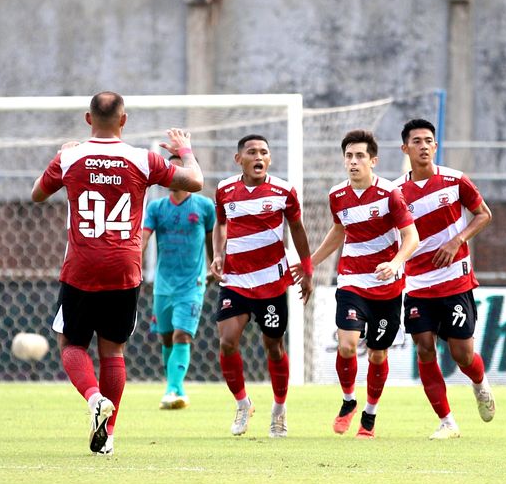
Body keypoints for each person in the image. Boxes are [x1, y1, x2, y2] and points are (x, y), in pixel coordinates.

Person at [31, 91, 203, 455]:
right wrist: (185, 149)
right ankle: (107, 435)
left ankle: (94, 399)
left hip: (81, 267)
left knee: (71, 344)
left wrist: (62, 154)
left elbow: (37, 195)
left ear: (87, 119)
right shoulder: (144, 160)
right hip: (125, 267)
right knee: (114, 351)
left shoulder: (70, 157)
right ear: (124, 120)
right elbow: (196, 181)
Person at [294, 129, 418, 439]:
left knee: (378, 354)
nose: (353, 161)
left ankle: (370, 415)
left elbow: (412, 236)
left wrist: (395, 263)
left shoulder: (390, 193)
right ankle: (349, 401)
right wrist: (310, 262)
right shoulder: (337, 195)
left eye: (360, 156)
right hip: (351, 281)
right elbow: (338, 232)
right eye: (348, 156)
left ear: (373, 161)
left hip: (387, 286)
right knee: (347, 345)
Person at [394, 118, 495, 440]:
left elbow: (484, 214)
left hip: (454, 282)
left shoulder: (455, 181)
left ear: (435, 146)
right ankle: (447, 421)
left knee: (462, 354)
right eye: (417, 141)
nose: (423, 146)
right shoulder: (395, 192)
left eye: (429, 141)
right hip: (418, 284)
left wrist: (457, 240)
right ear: (405, 148)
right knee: (424, 348)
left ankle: (480, 384)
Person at [210, 134, 313, 438]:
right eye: (251, 152)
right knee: (227, 341)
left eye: (264, 152)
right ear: (238, 158)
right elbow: (221, 224)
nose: (258, 156)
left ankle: (279, 411)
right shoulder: (225, 190)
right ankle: (243, 404)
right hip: (236, 280)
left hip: (271, 281)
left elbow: (297, 229)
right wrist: (217, 254)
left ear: (269, 159)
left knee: (274, 345)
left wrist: (307, 270)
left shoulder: (283, 191)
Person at [142, 155, 216, 410]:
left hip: (192, 283)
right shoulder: (156, 208)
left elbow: (212, 239)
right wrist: (131, 263)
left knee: (182, 334)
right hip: (163, 284)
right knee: (166, 339)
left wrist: (215, 263)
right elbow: (143, 238)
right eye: (169, 169)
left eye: (178, 168)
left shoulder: (205, 206)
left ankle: (172, 389)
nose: (172, 174)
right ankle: (177, 387)